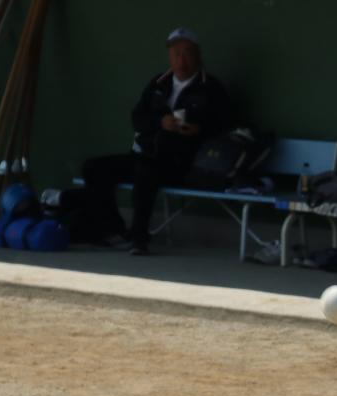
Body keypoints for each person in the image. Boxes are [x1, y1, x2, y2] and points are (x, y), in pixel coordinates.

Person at [78, 28, 235, 256]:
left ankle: (139, 239)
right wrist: (160, 122)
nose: (181, 61)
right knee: (93, 168)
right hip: (144, 153)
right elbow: (137, 118)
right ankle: (113, 230)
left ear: (198, 56)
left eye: (187, 54)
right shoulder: (158, 83)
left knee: (145, 172)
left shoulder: (211, 88)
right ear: (169, 57)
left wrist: (199, 130)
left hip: (181, 163)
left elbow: (226, 126)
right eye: (176, 54)